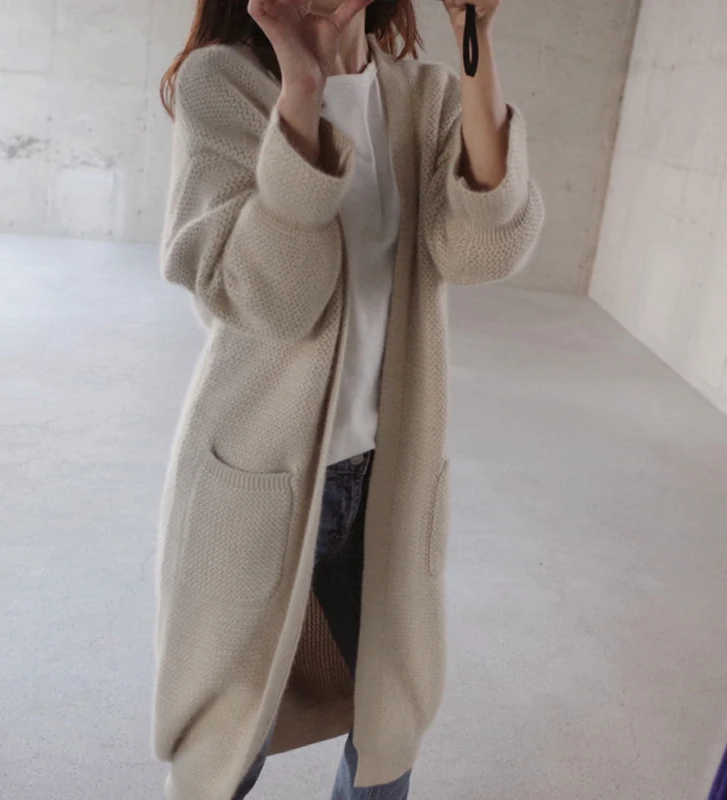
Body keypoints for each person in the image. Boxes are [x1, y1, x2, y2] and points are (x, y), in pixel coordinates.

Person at [151, 0, 545, 797]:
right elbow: (272, 297)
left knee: (391, 726)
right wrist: (303, 91)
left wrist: (477, 41)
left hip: (390, 477)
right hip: (259, 469)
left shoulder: (427, 97)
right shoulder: (222, 81)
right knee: (226, 740)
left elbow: (481, 247)